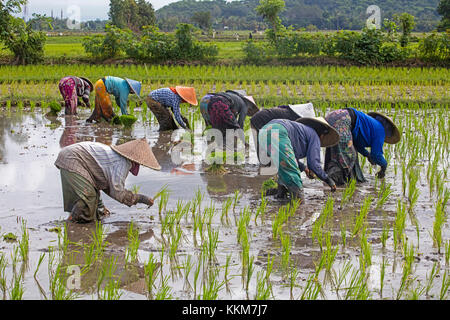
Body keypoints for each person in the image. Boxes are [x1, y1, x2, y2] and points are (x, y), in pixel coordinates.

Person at [54, 138, 161, 223]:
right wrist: (141, 198)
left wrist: (102, 209)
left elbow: (105, 185)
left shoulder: (117, 157)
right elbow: (117, 192)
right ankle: (70, 223)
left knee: (95, 204)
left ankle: (79, 220)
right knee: (88, 196)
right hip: (73, 158)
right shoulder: (121, 163)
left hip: (76, 157)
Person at [258, 117, 339, 199]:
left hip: (263, 132)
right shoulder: (314, 136)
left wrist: (304, 168)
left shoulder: (301, 132)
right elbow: (314, 163)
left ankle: (281, 195)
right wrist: (328, 179)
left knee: (284, 167)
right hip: (278, 132)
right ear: (322, 135)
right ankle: (298, 201)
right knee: (292, 173)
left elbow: (291, 159)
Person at [324, 108, 400, 185]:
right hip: (343, 120)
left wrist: (367, 155)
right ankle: (333, 181)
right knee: (349, 156)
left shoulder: (371, 125)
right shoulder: (380, 131)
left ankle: (329, 179)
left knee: (336, 151)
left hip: (332, 116)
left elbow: (356, 145)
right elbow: (376, 154)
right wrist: (384, 166)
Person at [250, 103, 315, 159]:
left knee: (270, 155)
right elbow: (288, 145)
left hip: (262, 121)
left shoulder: (289, 113)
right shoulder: (291, 119)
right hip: (258, 122)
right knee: (266, 156)